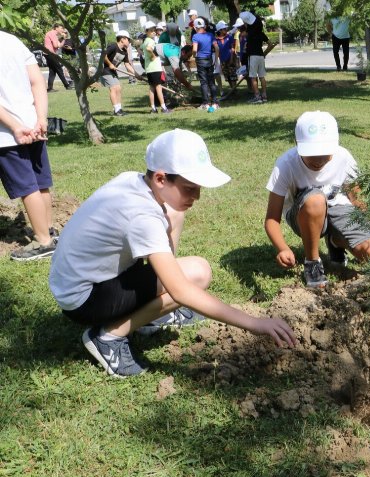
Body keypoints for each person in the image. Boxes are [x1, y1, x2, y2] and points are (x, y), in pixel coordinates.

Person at [48, 129, 297, 378]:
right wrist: (255, 323)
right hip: (84, 299)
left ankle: (153, 313)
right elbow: (181, 290)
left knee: (174, 212)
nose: (197, 196)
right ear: (160, 178)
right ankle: (110, 335)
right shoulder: (142, 215)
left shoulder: (133, 181)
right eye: (189, 188)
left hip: (88, 278)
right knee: (197, 274)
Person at [264, 111, 370, 288]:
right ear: (297, 144)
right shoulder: (286, 164)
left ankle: (336, 241)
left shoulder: (343, 157)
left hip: (338, 209)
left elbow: (357, 200)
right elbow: (272, 219)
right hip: (303, 214)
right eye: (312, 153)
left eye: (325, 153)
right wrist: (283, 248)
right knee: (315, 200)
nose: (319, 160)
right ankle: (312, 263)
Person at [0, 30, 57, 261]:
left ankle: (43, 242)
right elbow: (38, 82)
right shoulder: (12, 40)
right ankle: (50, 232)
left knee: (27, 187)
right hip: (33, 124)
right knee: (40, 182)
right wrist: (41, 119)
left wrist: (14, 127)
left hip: (7, 133)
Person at [101, 30, 138, 116]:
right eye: (128, 40)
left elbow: (127, 65)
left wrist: (136, 74)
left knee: (118, 88)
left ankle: (119, 109)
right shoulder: (113, 46)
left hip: (113, 72)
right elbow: (104, 55)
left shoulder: (124, 52)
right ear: (122, 39)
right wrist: (110, 64)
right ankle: (116, 110)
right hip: (105, 70)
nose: (129, 42)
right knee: (113, 88)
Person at [245, 13, 276, 104]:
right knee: (262, 76)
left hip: (253, 56)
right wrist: (264, 53)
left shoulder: (250, 32)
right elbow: (270, 44)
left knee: (253, 78)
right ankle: (264, 95)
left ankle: (257, 96)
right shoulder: (261, 33)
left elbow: (244, 19)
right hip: (260, 56)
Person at [142, 21, 171, 114]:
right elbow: (148, 49)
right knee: (159, 87)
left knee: (151, 88)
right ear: (146, 32)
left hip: (149, 68)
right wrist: (153, 55)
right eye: (151, 31)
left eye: (154, 30)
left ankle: (153, 108)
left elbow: (141, 48)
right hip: (154, 68)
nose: (154, 32)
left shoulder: (145, 41)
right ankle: (163, 107)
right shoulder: (150, 41)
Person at [192, 17, 220, 110]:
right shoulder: (210, 35)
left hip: (200, 60)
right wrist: (215, 60)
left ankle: (206, 103)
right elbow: (216, 48)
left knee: (203, 82)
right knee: (211, 81)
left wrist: (194, 55)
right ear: (204, 26)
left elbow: (195, 49)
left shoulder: (195, 36)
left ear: (196, 27)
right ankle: (215, 102)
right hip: (209, 60)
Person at [43, 23, 71, 91]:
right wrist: (63, 38)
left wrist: (63, 39)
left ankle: (49, 88)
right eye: (61, 28)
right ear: (56, 28)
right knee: (59, 69)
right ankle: (67, 85)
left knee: (52, 71)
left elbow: (59, 45)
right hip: (50, 54)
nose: (63, 30)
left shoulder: (54, 34)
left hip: (48, 54)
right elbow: (56, 45)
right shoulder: (52, 34)